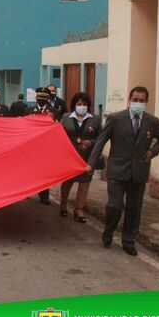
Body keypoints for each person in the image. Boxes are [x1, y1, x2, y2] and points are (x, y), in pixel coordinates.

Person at [87, 86, 159, 256]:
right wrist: (91, 164)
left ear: (146, 102)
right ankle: (108, 231)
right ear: (129, 100)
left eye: (141, 100)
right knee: (115, 206)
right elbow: (101, 142)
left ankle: (128, 241)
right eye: (135, 100)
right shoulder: (116, 118)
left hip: (138, 171)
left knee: (134, 208)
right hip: (117, 170)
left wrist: (152, 152)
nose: (138, 103)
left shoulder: (152, 121)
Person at [59, 92, 102, 222]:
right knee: (67, 182)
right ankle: (63, 204)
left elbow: (100, 138)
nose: (82, 106)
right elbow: (59, 134)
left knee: (84, 184)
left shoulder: (95, 119)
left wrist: (90, 143)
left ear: (88, 105)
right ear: (74, 105)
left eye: (84, 104)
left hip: (87, 157)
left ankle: (79, 209)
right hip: (70, 156)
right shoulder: (66, 117)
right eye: (79, 104)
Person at [25, 87, 57, 205]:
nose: (41, 101)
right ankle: (26, 191)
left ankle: (44, 196)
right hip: (31, 145)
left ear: (47, 99)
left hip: (45, 146)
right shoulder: (29, 110)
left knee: (44, 172)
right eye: (39, 98)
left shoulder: (53, 112)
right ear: (36, 98)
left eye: (44, 99)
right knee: (29, 170)